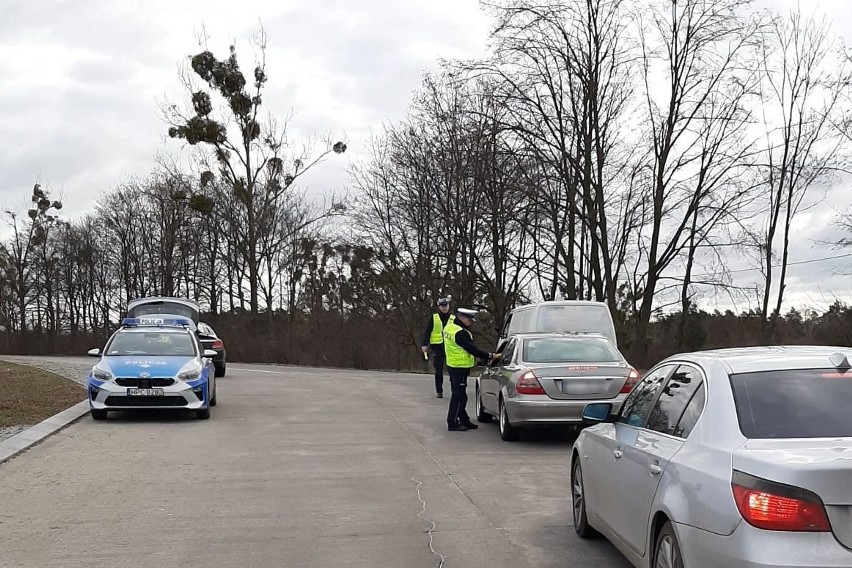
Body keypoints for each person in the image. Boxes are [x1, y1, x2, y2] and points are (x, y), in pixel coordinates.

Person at [443, 307, 500, 431]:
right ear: (461, 318)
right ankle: (452, 422)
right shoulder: (461, 333)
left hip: (452, 365)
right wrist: (490, 356)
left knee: (461, 395)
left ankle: (464, 420)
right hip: (460, 366)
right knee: (458, 396)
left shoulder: (449, 327)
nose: (471, 321)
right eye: (469, 319)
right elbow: (473, 350)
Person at [421, 297, 454, 398]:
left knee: (452, 370)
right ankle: (439, 391)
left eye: (446, 306)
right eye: (442, 306)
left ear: (449, 306)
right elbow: (427, 331)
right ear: (439, 307)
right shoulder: (434, 317)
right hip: (437, 347)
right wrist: (424, 344)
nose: (444, 308)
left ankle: (455, 390)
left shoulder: (453, 318)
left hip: (450, 347)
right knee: (438, 370)